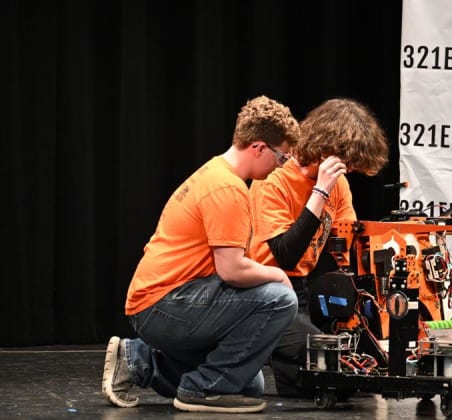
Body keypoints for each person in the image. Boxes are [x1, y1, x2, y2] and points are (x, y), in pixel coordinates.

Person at [101, 96, 302, 414]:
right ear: (259, 148)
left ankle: (136, 361)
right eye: (282, 158)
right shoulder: (227, 189)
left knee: (249, 384)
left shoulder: (216, 174)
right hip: (163, 305)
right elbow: (232, 271)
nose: (282, 166)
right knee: (281, 299)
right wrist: (278, 274)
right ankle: (201, 391)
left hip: (164, 301)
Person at [248, 98, 389, 397]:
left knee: (348, 380)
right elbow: (286, 254)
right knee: (331, 361)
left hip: (303, 290)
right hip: (264, 291)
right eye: (346, 162)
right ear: (326, 150)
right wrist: (320, 190)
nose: (348, 171)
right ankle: (263, 349)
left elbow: (344, 242)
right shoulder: (273, 179)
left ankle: (282, 354)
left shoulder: (339, 185)